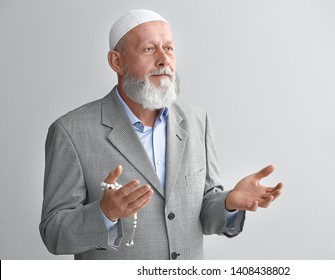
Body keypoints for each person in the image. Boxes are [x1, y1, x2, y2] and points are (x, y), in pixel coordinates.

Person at [40, 9, 283, 260]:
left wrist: (229, 202)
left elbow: (202, 213)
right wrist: (104, 213)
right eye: (148, 49)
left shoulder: (197, 121)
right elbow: (54, 234)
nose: (163, 60)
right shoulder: (71, 131)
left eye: (168, 48)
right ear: (117, 62)